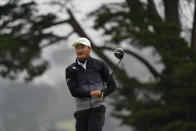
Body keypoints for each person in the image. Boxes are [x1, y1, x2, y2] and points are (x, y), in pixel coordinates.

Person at [65, 37, 117, 131]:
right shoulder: (70, 69)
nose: (79, 50)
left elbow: (112, 86)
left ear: (89, 49)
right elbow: (74, 91)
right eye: (77, 48)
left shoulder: (100, 64)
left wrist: (102, 94)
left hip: (98, 108)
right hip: (81, 110)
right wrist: (91, 93)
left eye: (82, 47)